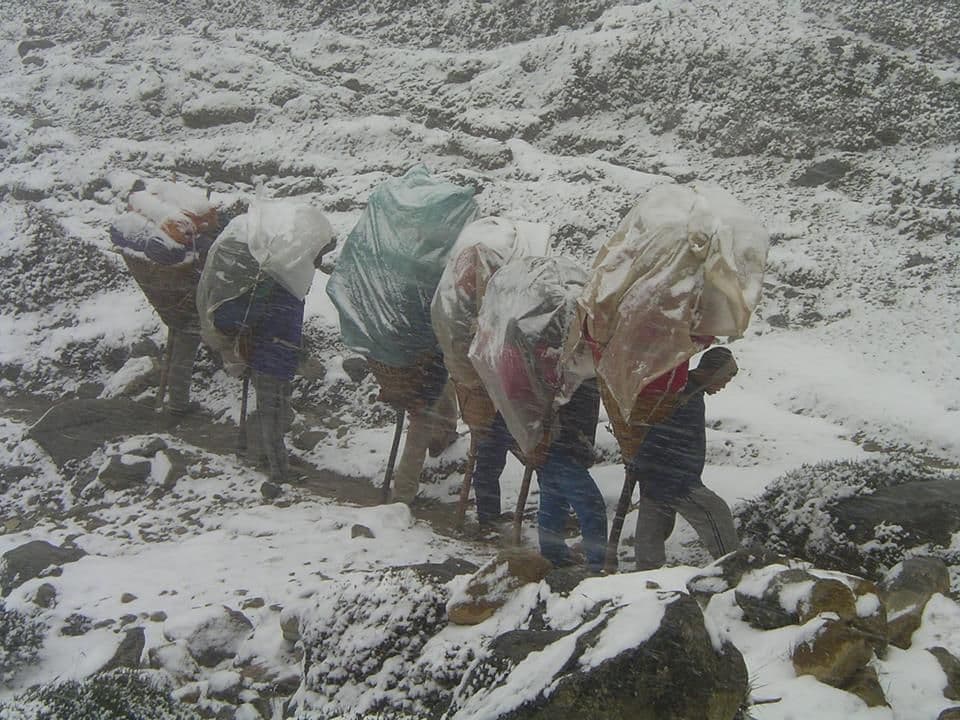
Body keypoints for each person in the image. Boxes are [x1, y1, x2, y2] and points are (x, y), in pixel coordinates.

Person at [631, 347, 740, 570]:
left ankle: (645, 575)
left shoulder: (685, 390)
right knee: (715, 512)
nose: (724, 386)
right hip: (674, 478)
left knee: (652, 528)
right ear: (714, 373)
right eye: (724, 379)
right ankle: (733, 569)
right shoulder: (681, 394)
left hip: (656, 474)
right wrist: (679, 479)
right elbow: (660, 434)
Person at [535, 378, 608, 572]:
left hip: (554, 445)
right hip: (565, 445)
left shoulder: (570, 368)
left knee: (554, 502)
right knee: (591, 507)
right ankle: (598, 564)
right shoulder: (570, 369)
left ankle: (553, 555)